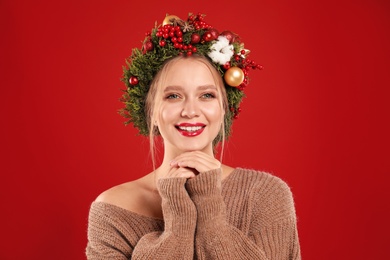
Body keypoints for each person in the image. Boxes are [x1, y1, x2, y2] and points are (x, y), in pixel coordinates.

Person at [86, 12, 301, 259]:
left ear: (223, 109)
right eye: (173, 96)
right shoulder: (112, 211)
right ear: (153, 112)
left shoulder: (265, 194)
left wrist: (208, 204)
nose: (190, 111)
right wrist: (178, 222)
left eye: (207, 95)